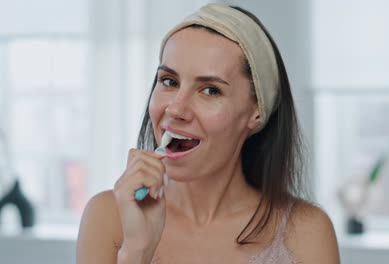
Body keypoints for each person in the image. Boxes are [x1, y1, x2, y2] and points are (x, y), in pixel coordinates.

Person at [77, 3, 339, 264]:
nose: (176, 108)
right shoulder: (108, 217)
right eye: (169, 81)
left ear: (256, 113)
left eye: (210, 90)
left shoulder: (306, 232)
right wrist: (137, 250)